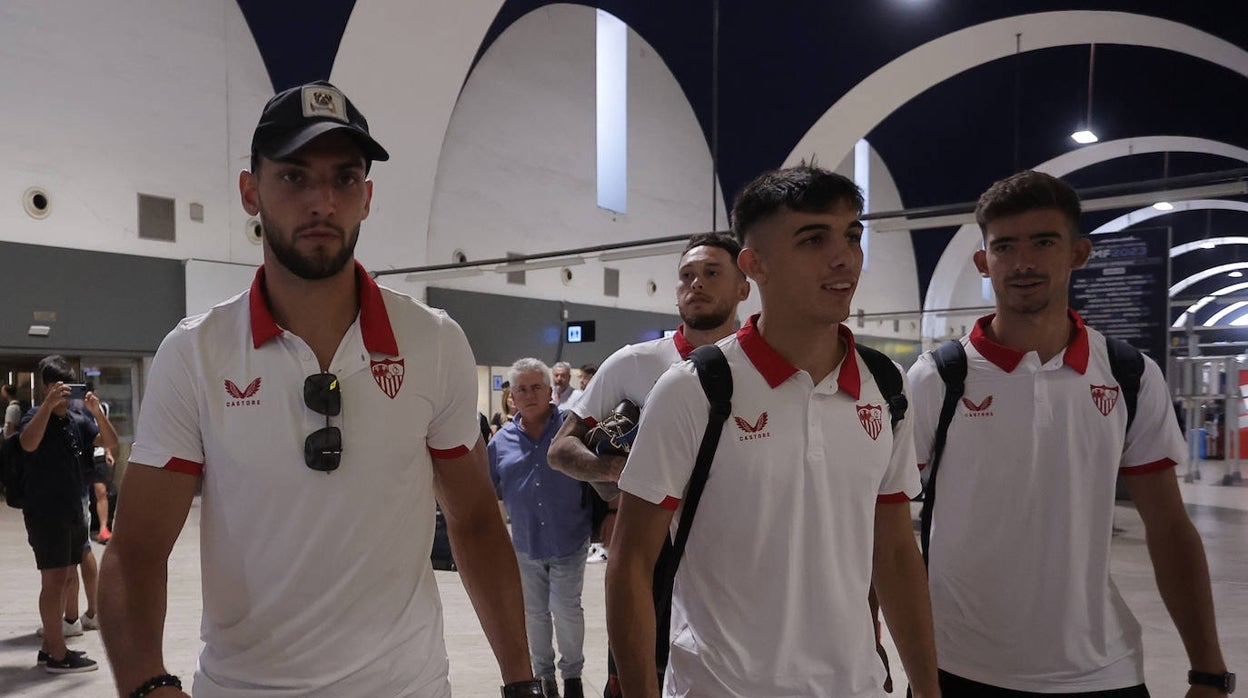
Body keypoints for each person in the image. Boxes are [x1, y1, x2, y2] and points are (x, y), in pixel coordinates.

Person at [98, 80, 544, 698]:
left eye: (343, 179)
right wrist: (148, 685)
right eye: (294, 177)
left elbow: (473, 521)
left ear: (366, 196)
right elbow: (137, 549)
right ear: (250, 191)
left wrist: (521, 681)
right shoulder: (196, 353)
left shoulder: (433, 342)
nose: (321, 201)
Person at [605, 165, 939, 697]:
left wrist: (927, 685)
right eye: (813, 239)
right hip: (717, 686)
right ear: (754, 265)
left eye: (852, 236)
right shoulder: (695, 389)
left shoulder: (885, 385)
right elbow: (631, 563)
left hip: (854, 685)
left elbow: (896, 551)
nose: (843, 257)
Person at [907, 170, 1231, 696]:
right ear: (983, 262)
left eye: (1044, 242)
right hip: (958, 666)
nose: (1024, 262)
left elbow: (1170, 530)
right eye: (1005, 247)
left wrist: (1208, 669)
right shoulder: (938, 379)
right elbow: (886, 527)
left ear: (1078, 253)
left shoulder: (1128, 374)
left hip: (1102, 671)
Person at [549, 232, 751, 695]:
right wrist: (620, 473)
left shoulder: (764, 370)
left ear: (745, 286)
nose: (696, 283)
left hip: (737, 555)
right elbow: (561, 450)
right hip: (650, 551)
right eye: (686, 275)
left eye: (711, 273)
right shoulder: (633, 363)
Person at [490, 358, 592, 698]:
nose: (529, 394)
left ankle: (573, 677)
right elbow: (489, 489)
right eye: (521, 389)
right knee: (534, 614)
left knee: (565, 609)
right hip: (526, 544)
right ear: (511, 397)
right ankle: (545, 680)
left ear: (551, 391)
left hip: (570, 538)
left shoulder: (570, 430)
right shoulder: (500, 442)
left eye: (536, 387)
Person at [20, 355, 118, 674]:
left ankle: (51, 645)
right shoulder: (36, 415)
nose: (65, 394)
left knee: (64, 577)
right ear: (47, 387)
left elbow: (110, 441)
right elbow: (28, 443)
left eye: (68, 387)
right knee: (55, 580)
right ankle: (57, 655)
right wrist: (47, 407)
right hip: (47, 512)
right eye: (58, 386)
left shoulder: (78, 419)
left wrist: (96, 413)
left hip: (74, 508)